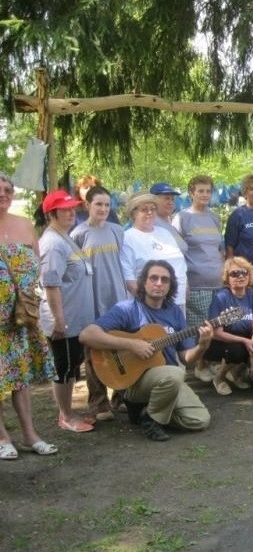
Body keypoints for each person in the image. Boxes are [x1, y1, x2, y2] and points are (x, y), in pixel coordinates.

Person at [79, 261, 213, 441]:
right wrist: (132, 345)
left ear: (170, 285)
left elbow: (186, 358)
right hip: (135, 382)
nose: (159, 283)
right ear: (143, 282)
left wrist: (202, 346)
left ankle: (143, 412)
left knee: (199, 420)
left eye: (165, 280)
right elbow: (87, 335)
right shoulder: (127, 309)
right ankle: (152, 419)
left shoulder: (175, 312)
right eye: (153, 278)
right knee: (174, 374)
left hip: (168, 382)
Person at [0, 172, 58, 459]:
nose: (3, 195)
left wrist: (32, 301)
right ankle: (2, 437)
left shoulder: (24, 224)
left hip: (21, 320)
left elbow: (37, 269)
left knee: (20, 378)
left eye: (8, 190)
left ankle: (29, 434)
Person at [39, 190, 97, 433]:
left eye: (73, 208)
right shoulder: (52, 244)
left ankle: (70, 411)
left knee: (72, 366)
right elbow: (51, 284)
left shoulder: (64, 237)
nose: (72, 213)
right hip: (64, 319)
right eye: (65, 210)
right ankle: (65, 416)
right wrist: (59, 320)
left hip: (75, 318)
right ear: (51, 213)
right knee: (63, 368)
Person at [70, 185, 127, 420]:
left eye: (106, 204)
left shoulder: (117, 231)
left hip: (117, 298)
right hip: (91, 299)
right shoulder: (78, 234)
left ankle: (122, 397)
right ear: (87, 205)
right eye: (98, 204)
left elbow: (123, 262)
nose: (103, 209)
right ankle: (99, 402)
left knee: (121, 348)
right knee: (94, 352)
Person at [172, 175, 225, 382]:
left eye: (208, 191)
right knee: (201, 326)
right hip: (196, 281)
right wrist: (183, 280)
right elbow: (177, 252)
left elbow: (219, 248)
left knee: (218, 324)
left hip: (217, 281)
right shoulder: (182, 217)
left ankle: (210, 361)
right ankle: (199, 364)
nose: (204, 195)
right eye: (200, 191)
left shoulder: (214, 217)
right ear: (191, 193)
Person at [205, 257, 253, 395]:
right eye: (234, 273)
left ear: (249, 275)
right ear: (227, 278)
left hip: (247, 338)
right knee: (237, 351)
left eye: (244, 272)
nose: (240, 276)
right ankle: (219, 378)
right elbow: (217, 333)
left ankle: (234, 373)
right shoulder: (220, 297)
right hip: (222, 341)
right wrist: (245, 341)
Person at [121, 193, 188, 308]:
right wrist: (152, 303)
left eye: (153, 209)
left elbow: (180, 263)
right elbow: (129, 280)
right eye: (144, 210)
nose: (150, 212)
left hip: (178, 301)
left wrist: (186, 286)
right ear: (134, 213)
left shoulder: (165, 232)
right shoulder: (127, 238)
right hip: (151, 306)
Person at [150, 182, 188, 255]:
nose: (170, 202)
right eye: (167, 198)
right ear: (153, 201)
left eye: (172, 199)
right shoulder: (152, 224)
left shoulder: (169, 224)